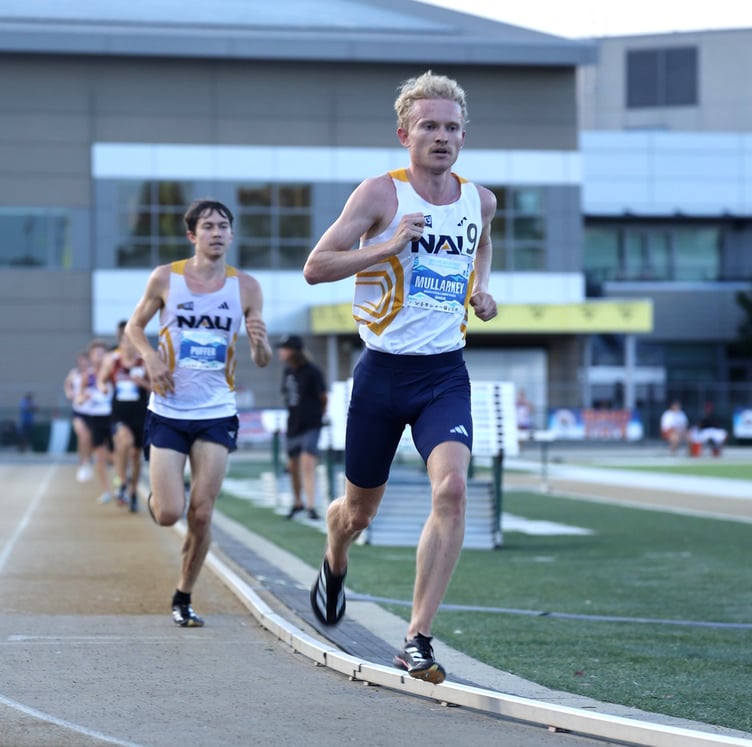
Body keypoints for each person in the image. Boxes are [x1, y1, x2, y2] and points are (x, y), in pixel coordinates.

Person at [303, 70, 498, 684]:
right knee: (357, 514)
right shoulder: (380, 195)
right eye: (429, 126)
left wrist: (481, 289)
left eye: (451, 127)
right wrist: (386, 244)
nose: (441, 137)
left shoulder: (480, 198)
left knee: (452, 492)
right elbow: (316, 267)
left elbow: (482, 242)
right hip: (381, 376)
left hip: (445, 375)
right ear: (404, 134)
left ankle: (417, 637)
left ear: (464, 135)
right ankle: (335, 558)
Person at [125, 198, 271, 627]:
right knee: (170, 512)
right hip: (169, 409)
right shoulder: (165, 278)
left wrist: (260, 343)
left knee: (202, 513)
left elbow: (261, 359)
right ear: (192, 235)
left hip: (216, 411)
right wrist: (150, 358)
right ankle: (157, 493)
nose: (217, 232)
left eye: (224, 225)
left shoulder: (245, 287)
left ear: (231, 234)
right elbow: (134, 327)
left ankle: (183, 595)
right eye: (208, 226)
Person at [97, 326, 150, 512]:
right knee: (124, 442)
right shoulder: (113, 362)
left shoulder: (144, 362)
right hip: (119, 413)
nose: (128, 346)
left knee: (135, 455)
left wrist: (142, 383)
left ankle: (133, 490)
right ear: (120, 344)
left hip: (140, 414)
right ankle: (121, 482)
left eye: (131, 342)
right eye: (124, 342)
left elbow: (156, 387)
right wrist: (103, 387)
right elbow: (101, 379)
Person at [276, 334, 328, 521]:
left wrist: (319, 415)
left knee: (307, 464)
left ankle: (311, 506)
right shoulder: (288, 372)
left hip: (311, 425)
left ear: (294, 351)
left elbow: (323, 396)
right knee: (292, 467)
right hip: (293, 426)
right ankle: (298, 502)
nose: (281, 352)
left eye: (284, 348)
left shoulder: (312, 371)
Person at [64, 350, 95, 481]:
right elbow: (67, 384)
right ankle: (82, 463)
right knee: (83, 436)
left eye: (86, 361)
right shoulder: (74, 373)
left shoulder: (94, 373)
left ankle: (87, 460)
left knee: (90, 439)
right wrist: (69, 392)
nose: (83, 363)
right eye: (81, 361)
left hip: (93, 411)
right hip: (79, 410)